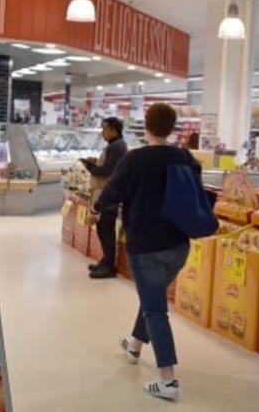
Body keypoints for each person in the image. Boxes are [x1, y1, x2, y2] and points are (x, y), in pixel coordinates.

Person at [88, 103, 195, 401]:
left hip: (147, 246)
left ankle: (168, 381)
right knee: (154, 295)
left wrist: (96, 207)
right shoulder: (185, 157)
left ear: (146, 125)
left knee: (155, 309)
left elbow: (113, 193)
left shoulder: (136, 160)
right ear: (171, 127)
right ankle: (134, 345)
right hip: (179, 245)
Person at [80, 117, 128, 279]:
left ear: (113, 130)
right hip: (106, 192)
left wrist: (90, 166)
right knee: (102, 228)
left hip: (108, 194)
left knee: (106, 228)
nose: (102, 132)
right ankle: (106, 260)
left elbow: (107, 171)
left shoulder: (116, 147)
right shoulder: (115, 146)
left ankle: (109, 266)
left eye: (104, 129)